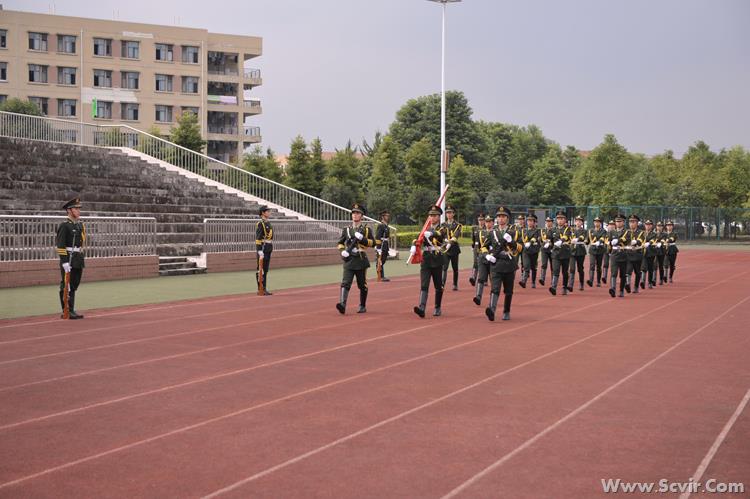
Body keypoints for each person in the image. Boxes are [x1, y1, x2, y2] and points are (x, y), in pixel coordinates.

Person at [481, 206, 522, 321]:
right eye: (499, 216)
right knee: (495, 288)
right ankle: (492, 310)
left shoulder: (514, 232)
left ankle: (506, 311)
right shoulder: (492, 233)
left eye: (503, 216)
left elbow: (520, 248)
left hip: (509, 264)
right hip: (496, 264)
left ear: (507, 218)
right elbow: (483, 247)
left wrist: (511, 241)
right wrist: (487, 255)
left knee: (508, 291)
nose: (501, 219)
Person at [336, 203, 374, 314]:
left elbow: (373, 243)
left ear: (362, 216)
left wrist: (363, 239)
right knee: (345, 282)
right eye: (353, 213)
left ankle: (362, 305)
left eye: (357, 213)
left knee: (362, 284)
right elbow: (340, 243)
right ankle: (342, 304)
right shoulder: (346, 229)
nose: (355, 215)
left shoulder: (366, 230)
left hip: (360, 259)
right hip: (349, 260)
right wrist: (342, 251)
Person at [412, 205, 448, 317]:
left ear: (439, 216)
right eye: (431, 215)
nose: (432, 218)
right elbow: (419, 239)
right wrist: (414, 245)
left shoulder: (443, 228)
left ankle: (437, 307)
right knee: (424, 284)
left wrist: (432, 233)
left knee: (438, 285)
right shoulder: (425, 228)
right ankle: (422, 308)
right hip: (426, 258)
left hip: (437, 258)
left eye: (434, 215)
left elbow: (441, 235)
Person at [56, 197, 86, 319]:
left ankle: (71, 309)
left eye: (79, 209)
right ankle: (67, 310)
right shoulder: (64, 226)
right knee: (66, 284)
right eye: (76, 208)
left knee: (74, 284)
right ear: (69, 210)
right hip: (68, 258)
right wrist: (64, 262)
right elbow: (60, 245)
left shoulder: (79, 225)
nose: (79, 211)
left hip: (77, 258)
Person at [548, 211, 573, 296]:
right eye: (558, 219)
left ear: (565, 220)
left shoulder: (568, 229)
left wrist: (561, 241)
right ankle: (553, 287)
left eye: (562, 219)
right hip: (555, 253)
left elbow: (566, 236)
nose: (560, 220)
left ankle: (564, 287)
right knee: (555, 270)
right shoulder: (553, 230)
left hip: (565, 253)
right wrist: (548, 244)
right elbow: (549, 239)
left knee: (565, 272)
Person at [472, 214, 494, 306]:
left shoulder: (496, 233)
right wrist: (478, 256)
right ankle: (478, 296)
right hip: (483, 257)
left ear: (493, 223)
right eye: (487, 222)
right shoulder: (481, 233)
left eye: (490, 222)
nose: (488, 224)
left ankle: (492, 300)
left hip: (493, 258)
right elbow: (478, 246)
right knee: (481, 278)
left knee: (493, 280)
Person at [441, 205, 463, 291]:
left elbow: (456, 235)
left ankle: (455, 284)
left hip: (454, 249)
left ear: (453, 214)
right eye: (447, 213)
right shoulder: (443, 225)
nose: (449, 214)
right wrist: (444, 240)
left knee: (455, 268)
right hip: (445, 249)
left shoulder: (457, 225)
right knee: (444, 267)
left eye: (450, 213)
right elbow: (441, 235)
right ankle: (442, 284)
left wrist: (450, 242)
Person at [607, 214, 630, 298]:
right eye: (616, 221)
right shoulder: (612, 232)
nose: (618, 223)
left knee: (622, 274)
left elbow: (627, 239)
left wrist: (618, 240)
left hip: (623, 254)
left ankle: (621, 290)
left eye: (620, 221)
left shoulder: (627, 232)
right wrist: (609, 250)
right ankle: (613, 289)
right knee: (614, 272)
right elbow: (608, 242)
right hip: (614, 254)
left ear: (623, 222)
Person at [518, 213, 541, 289]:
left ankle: (533, 282)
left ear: (534, 222)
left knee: (533, 267)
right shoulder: (523, 231)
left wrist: (530, 242)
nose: (529, 222)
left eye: (531, 221)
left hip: (533, 251)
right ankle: (524, 281)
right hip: (525, 251)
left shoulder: (537, 231)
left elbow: (535, 238)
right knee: (526, 265)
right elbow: (520, 239)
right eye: (528, 221)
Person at [624, 214, 645, 294]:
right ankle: (628, 284)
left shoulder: (641, 232)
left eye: (633, 222)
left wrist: (636, 241)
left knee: (637, 272)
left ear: (637, 223)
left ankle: (636, 287)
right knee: (628, 270)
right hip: (629, 254)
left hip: (637, 254)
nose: (631, 224)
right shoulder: (627, 232)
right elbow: (623, 239)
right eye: (630, 222)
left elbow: (641, 240)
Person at [255, 205, 273, 295]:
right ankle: (260, 288)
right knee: (260, 269)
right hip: (263, 247)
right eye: (267, 211)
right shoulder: (260, 223)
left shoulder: (268, 223)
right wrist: (259, 250)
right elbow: (258, 238)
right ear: (263, 213)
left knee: (265, 269)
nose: (269, 213)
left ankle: (264, 288)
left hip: (268, 247)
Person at [569, 215, 589, 291]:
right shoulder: (571, 230)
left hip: (580, 251)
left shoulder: (584, 231)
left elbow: (584, 238)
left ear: (582, 223)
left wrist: (579, 239)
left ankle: (581, 283)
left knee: (580, 268)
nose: (578, 222)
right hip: (572, 251)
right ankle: (570, 285)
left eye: (580, 221)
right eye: (577, 221)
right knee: (572, 268)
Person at [586, 216, 607, 287]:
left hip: (600, 250)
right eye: (595, 222)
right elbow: (587, 240)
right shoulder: (590, 231)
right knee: (592, 265)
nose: (596, 223)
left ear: (600, 223)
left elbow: (603, 238)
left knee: (598, 266)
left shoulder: (603, 231)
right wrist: (585, 241)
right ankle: (591, 280)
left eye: (598, 222)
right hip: (592, 250)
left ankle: (598, 281)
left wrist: (600, 241)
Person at [375, 210, 392, 282]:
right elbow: (378, 237)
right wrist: (378, 248)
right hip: (381, 244)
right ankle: (381, 276)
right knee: (380, 260)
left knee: (383, 260)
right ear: (382, 217)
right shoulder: (381, 225)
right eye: (386, 216)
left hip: (385, 244)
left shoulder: (386, 226)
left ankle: (380, 274)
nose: (387, 217)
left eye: (388, 216)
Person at [641, 219, 658, 289]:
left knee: (650, 268)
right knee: (643, 267)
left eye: (649, 224)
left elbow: (653, 240)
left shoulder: (654, 234)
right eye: (646, 224)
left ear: (651, 226)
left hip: (650, 252)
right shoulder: (642, 233)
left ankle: (650, 282)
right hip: (642, 252)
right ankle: (642, 281)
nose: (648, 226)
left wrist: (649, 243)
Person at [469, 213, 485, 287]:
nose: (480, 221)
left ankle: (484, 279)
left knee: (485, 263)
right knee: (475, 262)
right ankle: (473, 277)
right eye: (479, 220)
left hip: (484, 247)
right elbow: (473, 238)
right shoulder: (475, 228)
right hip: (476, 246)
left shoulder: (486, 228)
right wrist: (473, 246)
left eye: (482, 220)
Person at [538, 216, 555, 286]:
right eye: (547, 221)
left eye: (550, 221)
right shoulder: (542, 230)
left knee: (553, 265)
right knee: (544, 264)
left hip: (552, 250)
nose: (548, 223)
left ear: (552, 222)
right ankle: (542, 278)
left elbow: (556, 240)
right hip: (544, 249)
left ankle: (553, 280)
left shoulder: (554, 230)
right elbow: (540, 240)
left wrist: (551, 244)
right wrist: (542, 244)